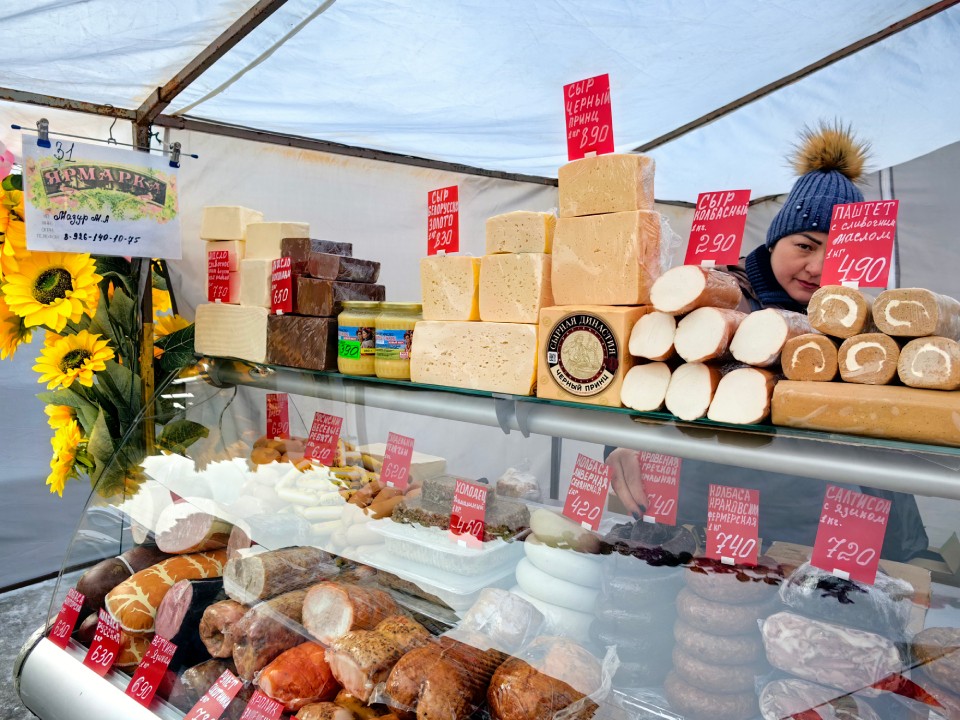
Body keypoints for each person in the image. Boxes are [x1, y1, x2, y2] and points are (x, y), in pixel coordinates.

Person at [606, 122, 929, 562]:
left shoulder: (861, 332)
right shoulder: (714, 301)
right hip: (702, 515)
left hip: (812, 526)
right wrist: (623, 438)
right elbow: (639, 381)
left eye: (836, 255)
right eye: (805, 245)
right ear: (776, 238)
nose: (816, 267)